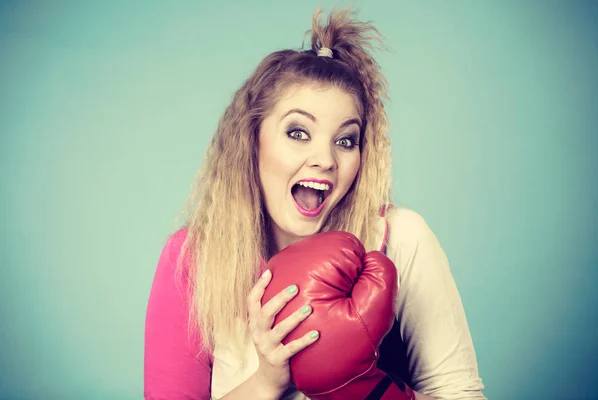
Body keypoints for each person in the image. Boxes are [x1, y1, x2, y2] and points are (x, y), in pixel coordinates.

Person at [144, 6, 486, 400]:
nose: (325, 159)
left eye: (345, 140)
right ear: (252, 140)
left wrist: (365, 390)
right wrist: (266, 381)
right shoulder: (193, 259)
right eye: (298, 132)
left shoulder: (401, 240)